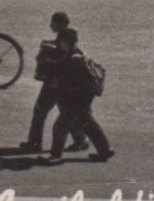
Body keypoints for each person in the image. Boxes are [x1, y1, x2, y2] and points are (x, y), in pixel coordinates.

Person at [24, 11, 86, 153]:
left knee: (40, 111)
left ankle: (34, 143)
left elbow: (60, 60)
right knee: (65, 112)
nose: (51, 25)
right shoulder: (67, 36)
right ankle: (80, 140)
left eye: (53, 23)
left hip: (55, 83)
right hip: (61, 84)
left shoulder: (65, 38)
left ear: (59, 24)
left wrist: (47, 60)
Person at [49, 28, 114, 161]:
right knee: (87, 122)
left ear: (65, 42)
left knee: (60, 126)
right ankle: (105, 150)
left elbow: (73, 82)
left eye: (60, 42)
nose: (59, 44)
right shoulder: (79, 53)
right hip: (85, 96)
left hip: (77, 98)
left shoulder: (74, 60)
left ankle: (56, 156)